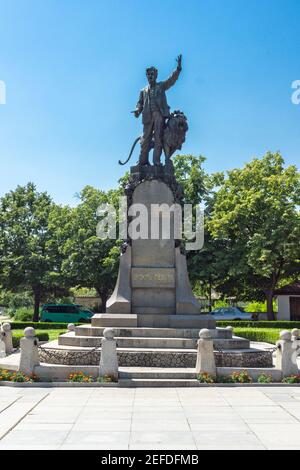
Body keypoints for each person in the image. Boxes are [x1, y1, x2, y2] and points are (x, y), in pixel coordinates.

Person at [133, 55, 182, 166]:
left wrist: (178, 69)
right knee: (145, 139)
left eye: (152, 74)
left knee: (158, 139)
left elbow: (171, 80)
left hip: (159, 115)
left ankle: (156, 161)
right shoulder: (143, 91)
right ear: (146, 76)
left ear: (156, 75)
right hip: (147, 117)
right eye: (148, 74)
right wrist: (137, 111)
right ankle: (142, 161)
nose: (150, 76)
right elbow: (139, 104)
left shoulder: (161, 86)